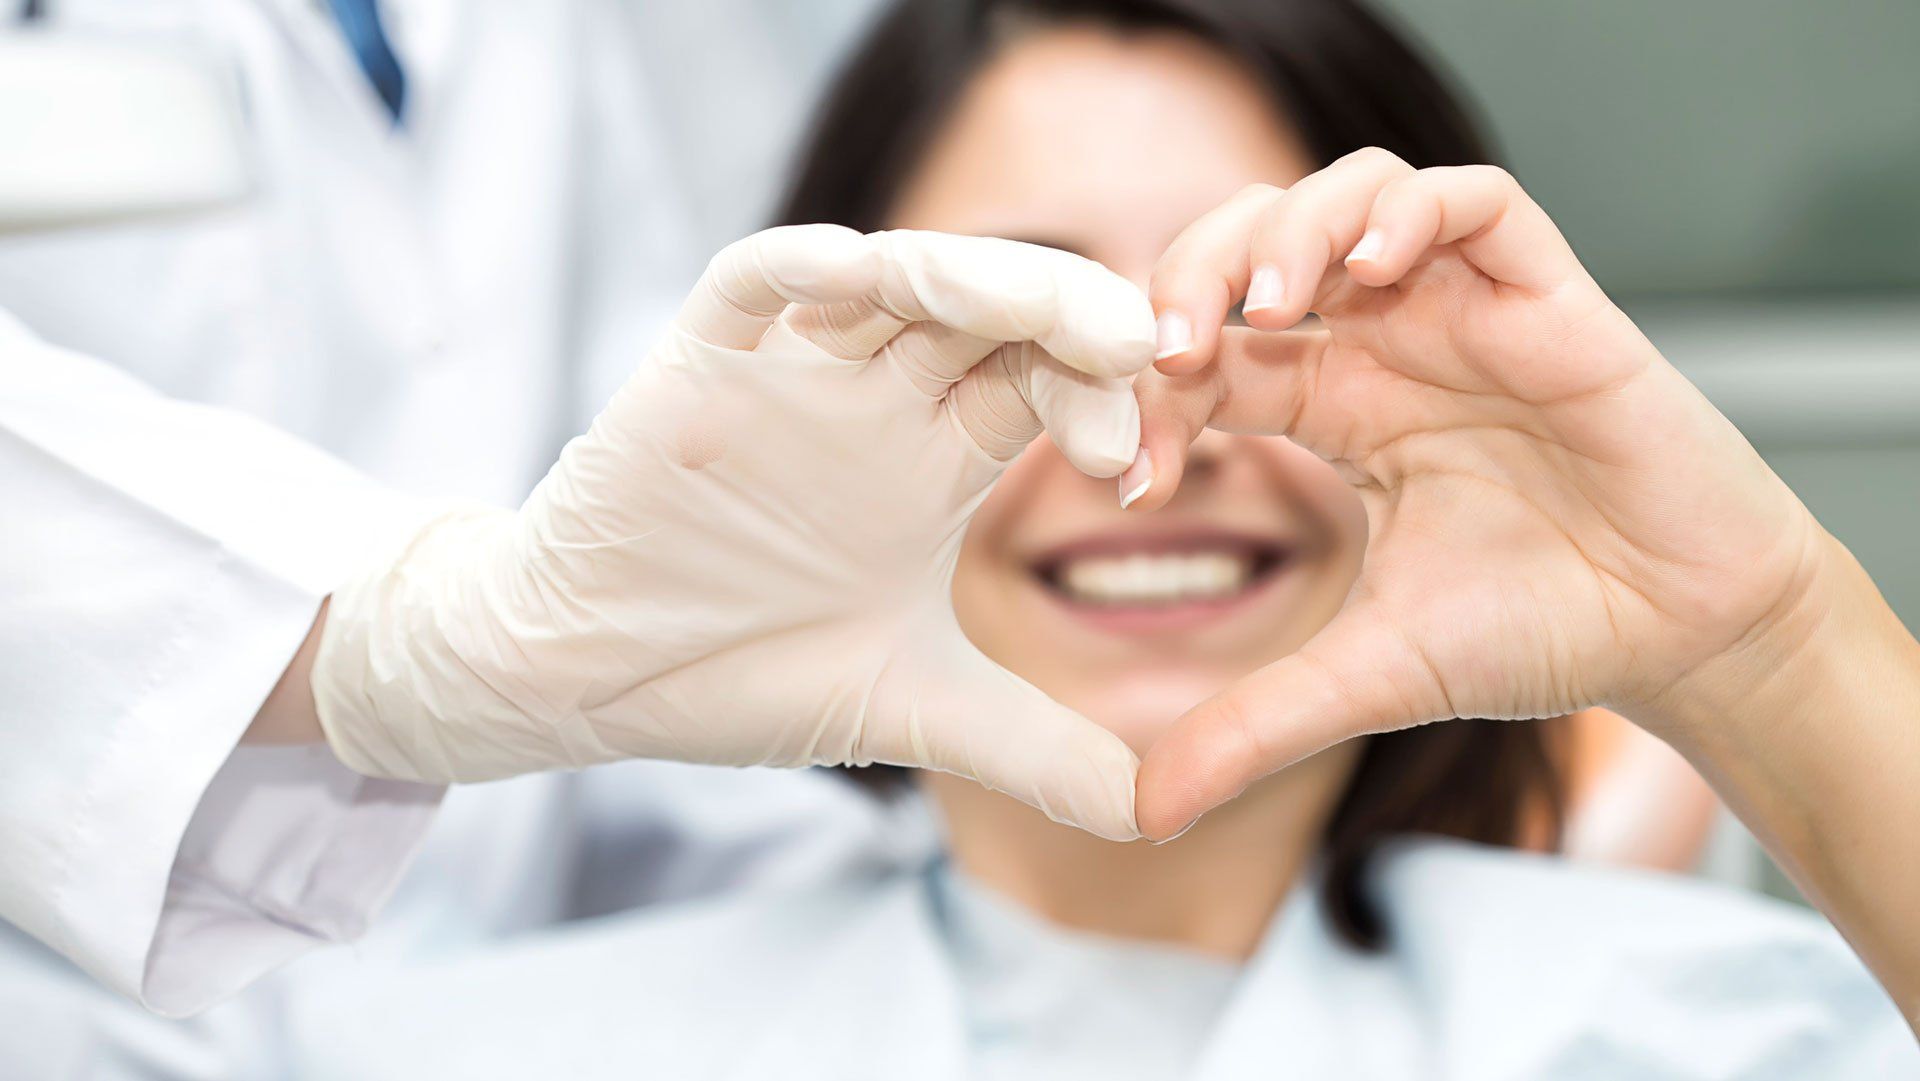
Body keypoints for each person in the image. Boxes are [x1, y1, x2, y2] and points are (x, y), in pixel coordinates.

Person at [7, 1, 1917, 1078]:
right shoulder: (417, 1057)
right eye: (1026, 327)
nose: (1152, 423)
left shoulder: (1733, 1024)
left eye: (1262, 311)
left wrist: (1768, 651)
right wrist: (399, 646)